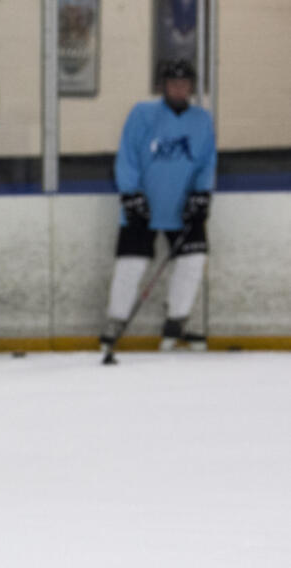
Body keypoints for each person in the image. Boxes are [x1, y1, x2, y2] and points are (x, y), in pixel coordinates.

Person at [101, 59, 216, 351]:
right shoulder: (142, 114)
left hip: (182, 207)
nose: (179, 88)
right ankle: (115, 322)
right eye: (173, 83)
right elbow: (127, 155)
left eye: (185, 83)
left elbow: (206, 162)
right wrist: (131, 194)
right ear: (163, 86)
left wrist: (202, 195)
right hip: (144, 206)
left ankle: (176, 321)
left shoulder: (202, 120)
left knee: (193, 262)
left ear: (192, 87)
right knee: (131, 264)